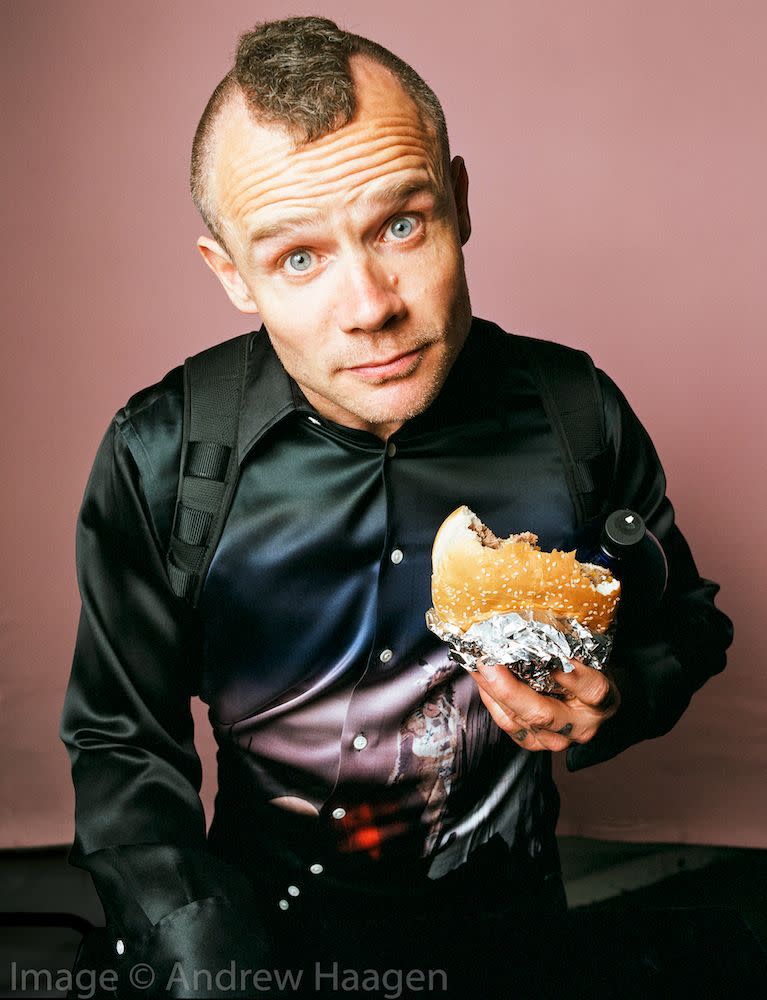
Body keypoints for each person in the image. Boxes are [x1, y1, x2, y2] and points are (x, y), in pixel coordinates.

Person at [61, 16, 733, 999]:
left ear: (458, 202)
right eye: (297, 258)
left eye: (399, 225)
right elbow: (121, 736)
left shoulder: (574, 414)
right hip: (257, 937)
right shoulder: (164, 454)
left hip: (510, 926)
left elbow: (688, 623)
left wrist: (616, 694)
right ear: (230, 275)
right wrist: (194, 947)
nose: (368, 303)